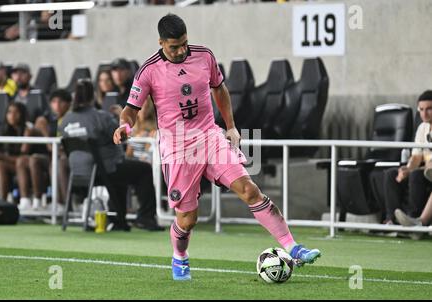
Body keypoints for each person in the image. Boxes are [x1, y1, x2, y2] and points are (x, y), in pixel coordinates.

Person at [113, 14, 320, 280]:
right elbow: (131, 110)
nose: (181, 51)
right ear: (161, 43)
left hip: (210, 137)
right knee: (187, 220)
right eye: (174, 46)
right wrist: (124, 127)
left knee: (249, 190)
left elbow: (219, 89)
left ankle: (293, 247)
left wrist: (231, 127)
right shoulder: (149, 70)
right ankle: (180, 256)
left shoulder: (205, 56)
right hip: (177, 147)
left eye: (184, 44)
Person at [62, 79, 164, 231]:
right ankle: (145, 218)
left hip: (78, 173)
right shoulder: (100, 117)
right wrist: (117, 118)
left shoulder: (66, 120)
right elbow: (120, 137)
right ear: (93, 95)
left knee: (123, 171)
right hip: (104, 170)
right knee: (144, 170)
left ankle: (118, 219)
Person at [16, 89, 72, 211]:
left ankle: (61, 203)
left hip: (66, 157)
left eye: (60, 102)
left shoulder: (72, 119)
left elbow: (53, 148)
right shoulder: (49, 120)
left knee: (54, 164)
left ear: (68, 103)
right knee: (29, 160)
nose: (56, 106)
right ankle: (33, 202)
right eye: (54, 102)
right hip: (50, 156)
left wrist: (45, 133)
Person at [383, 91, 432, 224]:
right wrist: (407, 169)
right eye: (421, 110)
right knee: (391, 174)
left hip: (428, 172)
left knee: (416, 174)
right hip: (424, 169)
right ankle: (392, 220)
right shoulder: (422, 128)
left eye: (429, 109)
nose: (424, 114)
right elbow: (416, 156)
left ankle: (412, 218)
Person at [0, 102, 37, 201]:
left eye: (16, 112)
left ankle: (2, 201)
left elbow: (22, 159)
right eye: (9, 112)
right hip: (11, 164)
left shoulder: (28, 130)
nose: (12, 115)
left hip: (27, 167)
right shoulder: (6, 130)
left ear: (23, 114)